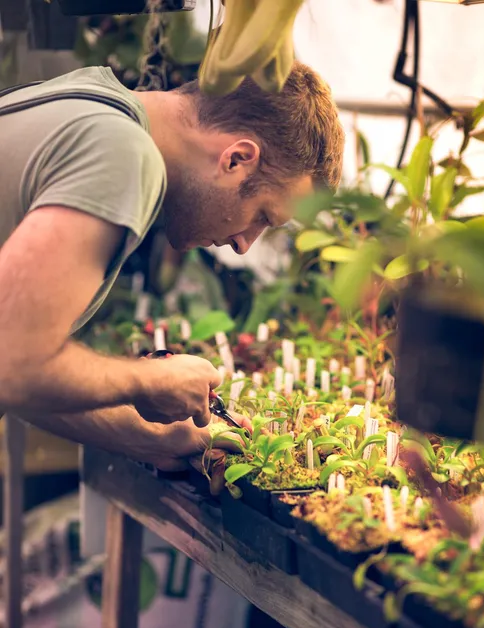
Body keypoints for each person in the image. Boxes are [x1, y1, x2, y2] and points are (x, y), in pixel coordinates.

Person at [0, 61, 344, 471]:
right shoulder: (122, 155)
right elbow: (15, 364)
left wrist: (149, 439)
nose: (244, 245)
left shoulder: (82, 101)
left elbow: (21, 374)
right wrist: (147, 381)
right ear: (236, 160)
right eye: (262, 216)